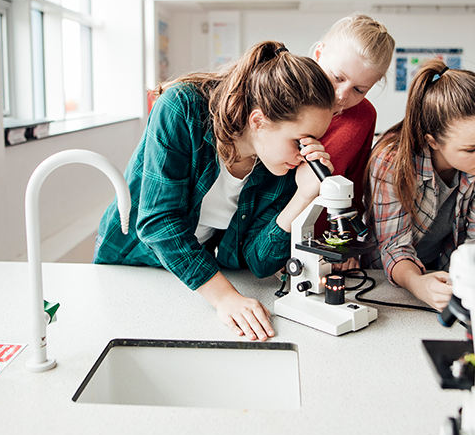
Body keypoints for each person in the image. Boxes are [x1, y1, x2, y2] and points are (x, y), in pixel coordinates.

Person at [95, 41, 335, 341]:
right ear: (259, 121)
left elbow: (258, 262)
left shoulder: (280, 162)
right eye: (301, 141)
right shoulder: (182, 108)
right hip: (133, 263)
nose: (306, 154)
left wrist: (303, 196)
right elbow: (157, 222)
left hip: (196, 277)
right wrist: (224, 298)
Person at [368, 59, 475, 312]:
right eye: (471, 148)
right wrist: (417, 283)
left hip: (448, 272)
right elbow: (394, 246)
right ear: (433, 141)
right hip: (384, 281)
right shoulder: (392, 161)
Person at [311, 13, 395, 268]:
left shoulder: (364, 117)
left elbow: (354, 189)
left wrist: (344, 245)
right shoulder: (283, 96)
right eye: (337, 77)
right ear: (318, 54)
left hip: (324, 246)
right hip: (263, 243)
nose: (341, 95)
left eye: (359, 90)